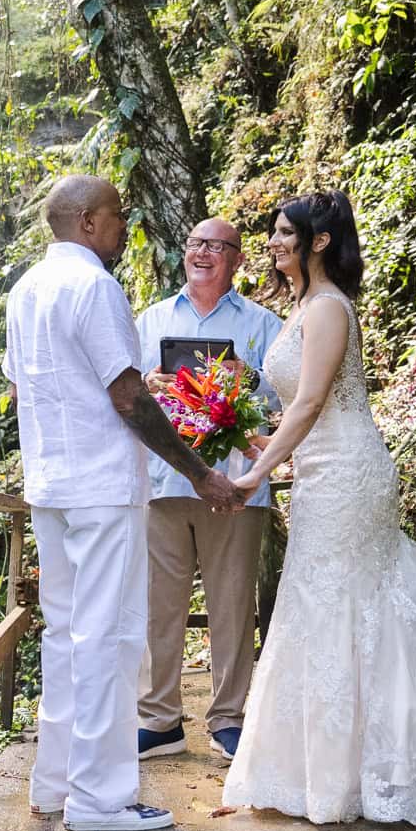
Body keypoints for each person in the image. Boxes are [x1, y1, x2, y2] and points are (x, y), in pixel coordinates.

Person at [224, 190, 416, 831]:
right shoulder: (301, 305)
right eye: (273, 233)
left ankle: (393, 772)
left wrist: (257, 469)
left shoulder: (330, 307)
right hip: (316, 470)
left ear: (320, 241)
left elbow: (309, 406)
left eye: (284, 233)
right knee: (315, 601)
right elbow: (299, 413)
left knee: (351, 602)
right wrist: (236, 432)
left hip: (350, 474)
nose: (273, 242)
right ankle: (320, 771)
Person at [3, 175, 238, 831]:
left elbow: (23, 392)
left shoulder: (26, 291)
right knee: (106, 639)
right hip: (102, 488)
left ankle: (54, 785)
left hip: (50, 487)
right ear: (84, 222)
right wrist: (198, 473)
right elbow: (129, 398)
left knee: (65, 635)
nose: (123, 225)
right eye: (115, 215)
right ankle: (101, 801)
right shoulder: (94, 288)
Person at [136, 219, 283, 764]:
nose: (203, 253)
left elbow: (285, 397)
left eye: (217, 246)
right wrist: (150, 383)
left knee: (232, 604)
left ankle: (228, 719)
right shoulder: (149, 319)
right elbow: (122, 391)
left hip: (236, 485)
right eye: (196, 243)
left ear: (238, 260)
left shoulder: (264, 324)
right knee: (158, 606)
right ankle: (158, 720)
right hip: (163, 481)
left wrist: (247, 378)